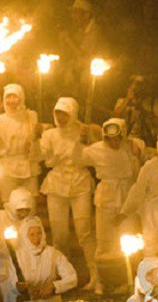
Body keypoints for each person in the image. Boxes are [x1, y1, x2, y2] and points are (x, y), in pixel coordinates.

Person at [39, 97, 97, 291]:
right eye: (58, 113)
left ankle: (95, 275)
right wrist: (36, 138)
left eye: (65, 114)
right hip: (57, 184)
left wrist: (86, 141)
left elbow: (92, 158)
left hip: (80, 183)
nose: (61, 118)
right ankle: (63, 275)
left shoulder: (85, 131)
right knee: (60, 234)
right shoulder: (50, 134)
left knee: (84, 231)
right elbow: (43, 158)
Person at [81, 118, 142, 260]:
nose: (114, 143)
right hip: (105, 199)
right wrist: (82, 138)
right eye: (110, 139)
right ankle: (101, 278)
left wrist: (136, 152)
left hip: (127, 197)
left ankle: (127, 276)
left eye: (117, 139)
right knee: (104, 241)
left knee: (128, 239)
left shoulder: (133, 147)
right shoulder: (95, 150)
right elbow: (78, 158)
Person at [6, 216, 78, 302]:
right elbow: (7, 281)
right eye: (32, 234)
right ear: (24, 236)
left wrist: (53, 286)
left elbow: (72, 278)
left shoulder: (53, 254)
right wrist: (18, 288)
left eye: (39, 233)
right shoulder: (17, 256)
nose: (36, 238)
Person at [0, 84, 41, 205]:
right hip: (7, 167)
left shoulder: (31, 116)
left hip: (28, 165)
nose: (11, 101)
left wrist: (37, 135)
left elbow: (37, 142)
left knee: (29, 204)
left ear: (21, 98)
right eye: (8, 97)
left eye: (15, 97)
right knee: (9, 204)